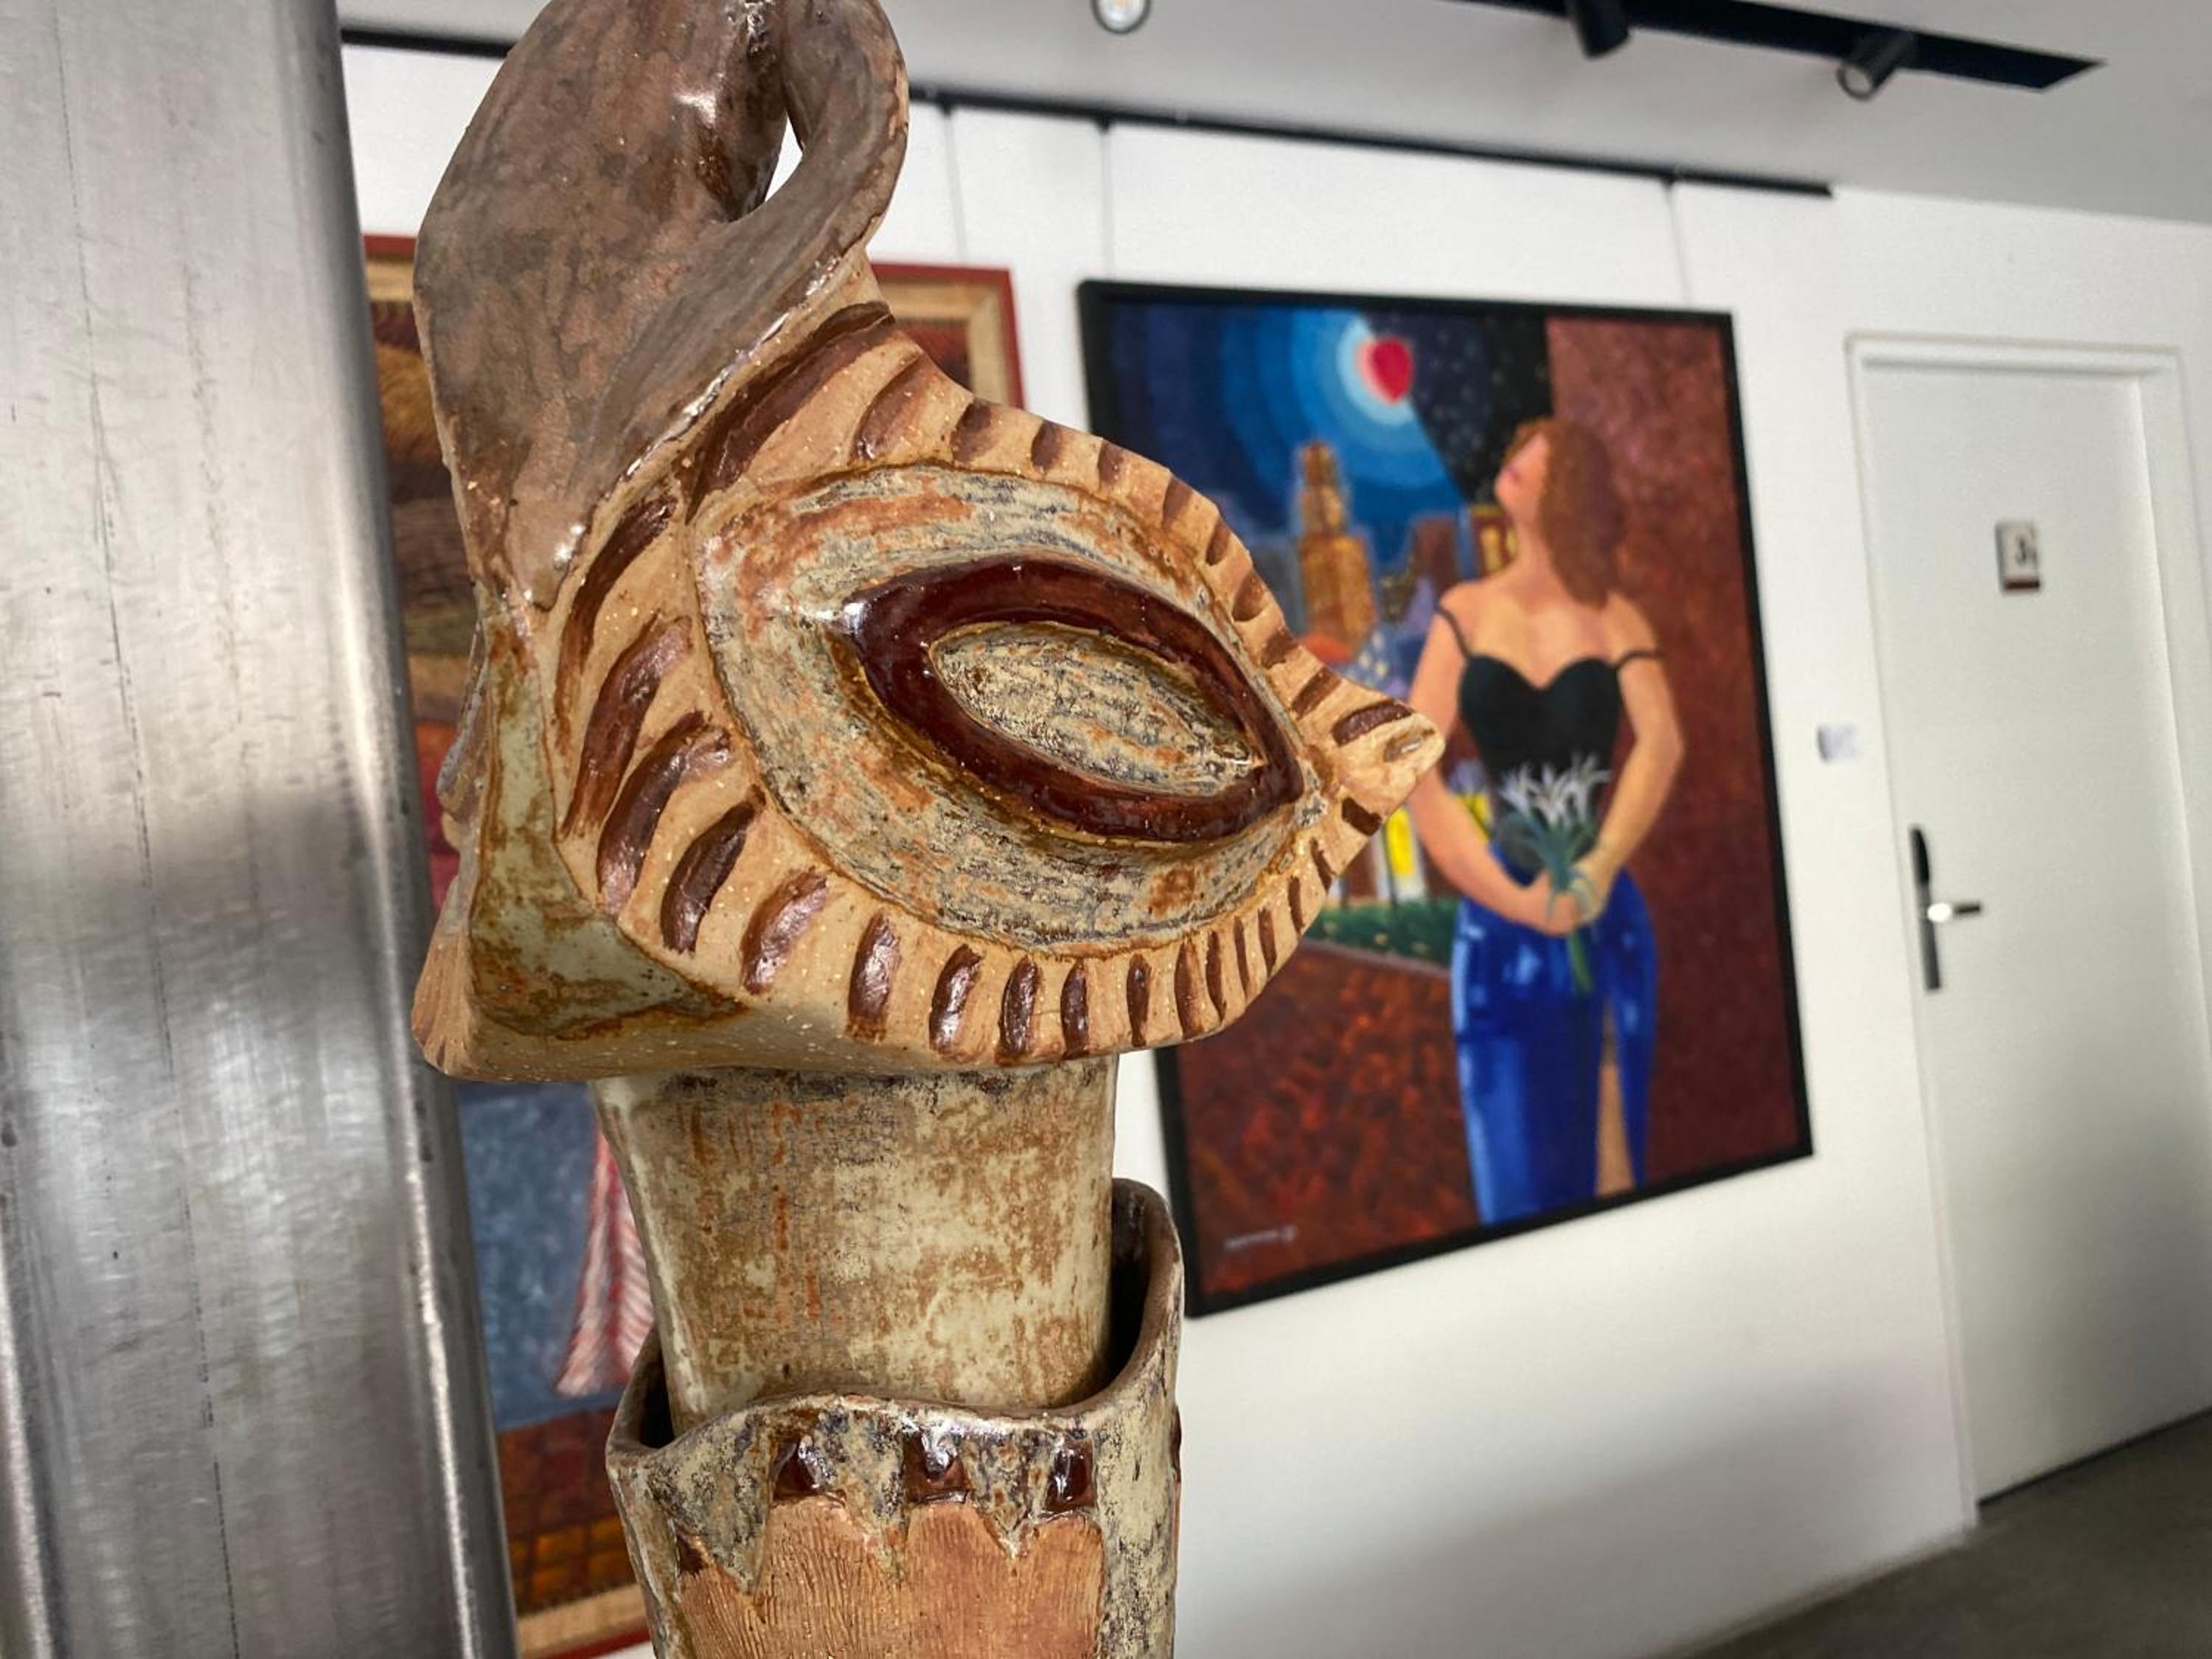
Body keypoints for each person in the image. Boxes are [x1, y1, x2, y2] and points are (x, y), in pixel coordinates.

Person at [1405, 418, 1685, 1224]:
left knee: (1612, 1159)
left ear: (1574, 495)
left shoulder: (1613, 617)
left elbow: (1663, 742)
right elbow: (1414, 767)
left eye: (1547, 458)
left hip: (1602, 916)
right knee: (1518, 1176)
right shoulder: (1464, 611)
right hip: (1499, 924)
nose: (1521, 461)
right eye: (1519, 448)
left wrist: (1597, 869)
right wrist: (1513, 899)